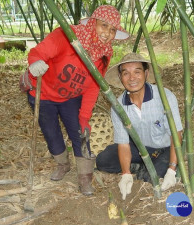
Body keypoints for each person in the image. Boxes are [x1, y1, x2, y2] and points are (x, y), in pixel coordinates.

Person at [20, 5, 129, 196]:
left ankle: (85, 177)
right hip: (43, 93)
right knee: (51, 133)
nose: (108, 34)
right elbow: (38, 52)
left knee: (81, 133)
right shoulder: (67, 35)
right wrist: (35, 62)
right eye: (104, 26)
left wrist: (85, 116)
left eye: (113, 30)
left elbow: (94, 85)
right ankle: (63, 164)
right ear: (93, 23)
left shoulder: (105, 52)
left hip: (71, 97)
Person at [96, 53, 183, 200]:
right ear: (120, 77)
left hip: (164, 148)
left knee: (153, 175)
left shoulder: (164, 97)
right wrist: (125, 174)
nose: (132, 78)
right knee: (103, 161)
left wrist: (172, 170)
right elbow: (123, 144)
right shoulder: (118, 105)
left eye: (137, 72)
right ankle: (138, 167)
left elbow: (176, 135)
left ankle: (151, 168)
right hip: (138, 147)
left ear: (146, 73)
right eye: (126, 73)